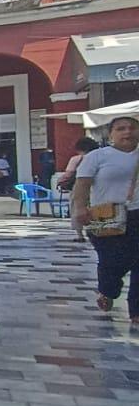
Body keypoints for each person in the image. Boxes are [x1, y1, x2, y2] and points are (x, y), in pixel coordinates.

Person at [72, 116, 139, 322]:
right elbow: (82, 185)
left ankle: (136, 310)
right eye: (121, 129)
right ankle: (108, 290)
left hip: (137, 213)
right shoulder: (97, 157)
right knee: (112, 260)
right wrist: (80, 209)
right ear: (110, 134)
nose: (127, 132)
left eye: (132, 128)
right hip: (106, 214)